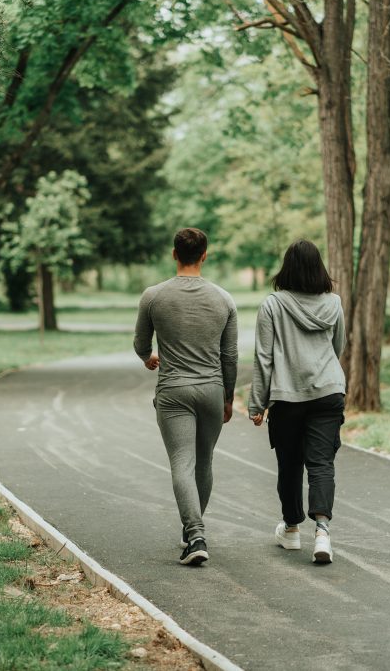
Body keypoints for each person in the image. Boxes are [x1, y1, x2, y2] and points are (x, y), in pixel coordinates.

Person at [134, 228, 238, 566]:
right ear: (204, 254)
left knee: (182, 462)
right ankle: (193, 531)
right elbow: (230, 355)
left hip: (173, 391)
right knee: (204, 461)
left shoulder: (153, 296)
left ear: (175, 254)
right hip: (211, 389)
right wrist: (227, 397)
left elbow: (140, 344)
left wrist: (149, 357)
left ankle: (194, 533)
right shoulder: (224, 299)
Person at [248, 240, 346, 564]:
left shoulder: (272, 305)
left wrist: (256, 404)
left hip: (287, 396)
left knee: (290, 464)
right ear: (319, 268)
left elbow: (263, 358)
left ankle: (291, 529)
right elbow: (338, 346)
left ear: (286, 268)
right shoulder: (334, 303)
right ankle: (322, 532)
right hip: (328, 391)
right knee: (321, 463)